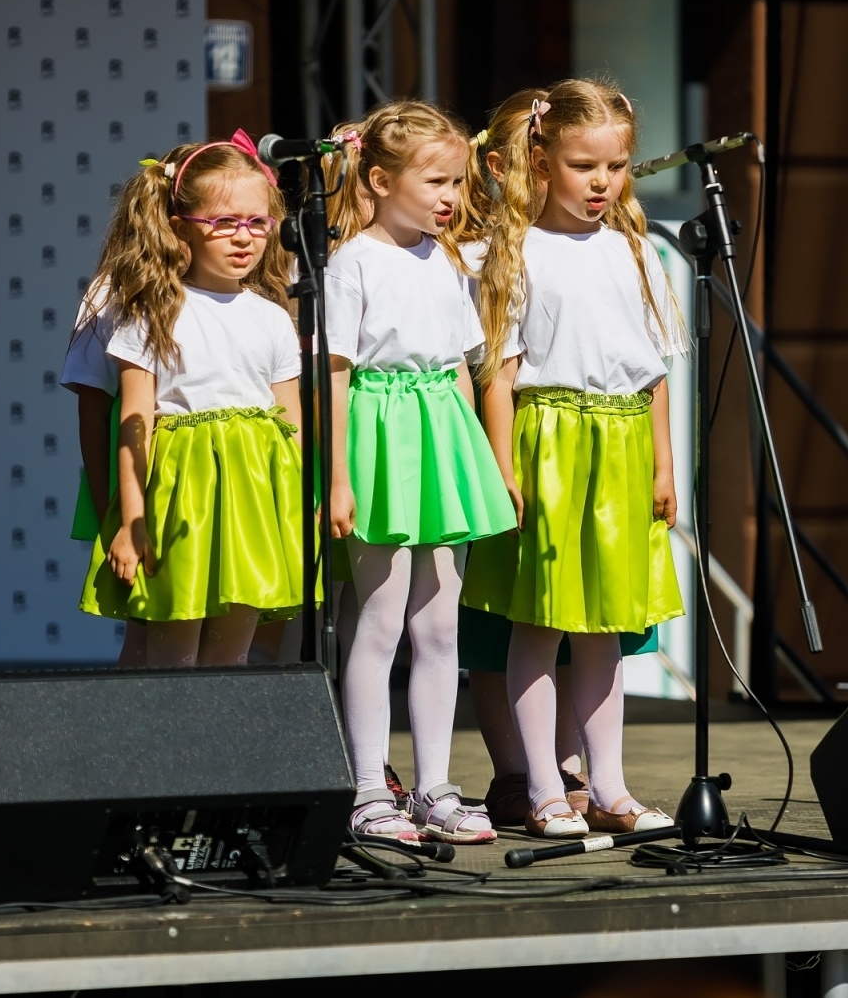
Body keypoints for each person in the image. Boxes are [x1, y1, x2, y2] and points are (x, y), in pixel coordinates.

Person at [464, 78, 685, 838]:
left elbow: (653, 371)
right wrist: (504, 464)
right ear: (540, 160)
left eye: (617, 167)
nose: (602, 184)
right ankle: (541, 788)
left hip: (622, 444)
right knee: (540, 625)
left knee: (606, 630)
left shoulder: (638, 251)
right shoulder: (519, 251)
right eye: (584, 166)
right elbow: (500, 372)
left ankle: (610, 786)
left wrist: (663, 464)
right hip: (549, 440)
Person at [324, 99, 517, 843]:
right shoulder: (352, 262)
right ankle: (368, 787)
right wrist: (339, 476)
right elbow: (336, 372)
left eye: (457, 183)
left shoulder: (444, 259)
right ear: (377, 179)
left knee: (440, 628)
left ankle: (434, 785)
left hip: (440, 436)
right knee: (377, 622)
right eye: (435, 182)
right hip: (380, 436)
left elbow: (464, 368)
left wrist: (480, 460)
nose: (450, 198)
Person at [78, 133, 304, 668]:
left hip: (252, 499)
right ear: (182, 229)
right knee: (172, 655)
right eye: (224, 222)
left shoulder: (271, 315)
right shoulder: (153, 312)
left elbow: (291, 418)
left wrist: (302, 502)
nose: (243, 237)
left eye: (257, 222)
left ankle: (219, 752)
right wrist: (132, 522)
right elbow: (135, 422)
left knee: (233, 655)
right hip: (183, 497)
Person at [63, 276, 147, 667]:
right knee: (149, 628)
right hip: (140, 486)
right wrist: (109, 517)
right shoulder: (114, 289)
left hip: (224, 480)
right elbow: (93, 412)